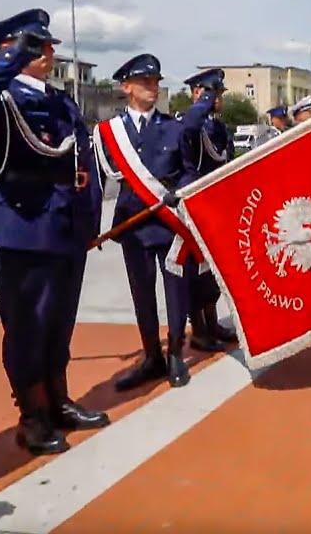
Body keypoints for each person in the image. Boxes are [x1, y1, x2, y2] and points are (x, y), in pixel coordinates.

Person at [0, 8, 109, 456]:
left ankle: (58, 400)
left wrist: (88, 222)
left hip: (64, 226)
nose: (48, 52)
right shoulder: (0, 95)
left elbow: (82, 164)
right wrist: (12, 61)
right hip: (24, 223)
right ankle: (33, 414)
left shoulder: (60, 99)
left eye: (48, 45)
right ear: (10, 48)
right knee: (27, 326)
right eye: (36, 45)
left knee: (59, 322)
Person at [96, 53, 195, 390]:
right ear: (127, 87)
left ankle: (176, 353)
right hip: (132, 225)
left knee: (175, 290)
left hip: (169, 225)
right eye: (145, 82)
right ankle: (151, 355)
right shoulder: (110, 132)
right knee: (142, 293)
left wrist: (178, 193)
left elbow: (189, 172)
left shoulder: (174, 128)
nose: (153, 87)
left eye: (155, 81)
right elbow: (100, 181)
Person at [178, 68, 239, 351]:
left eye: (220, 94)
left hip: (217, 204)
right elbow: (190, 125)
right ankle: (199, 329)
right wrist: (203, 100)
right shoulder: (190, 122)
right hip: (195, 206)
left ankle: (212, 322)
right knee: (196, 271)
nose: (219, 99)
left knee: (213, 270)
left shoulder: (218, 128)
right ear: (198, 93)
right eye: (215, 94)